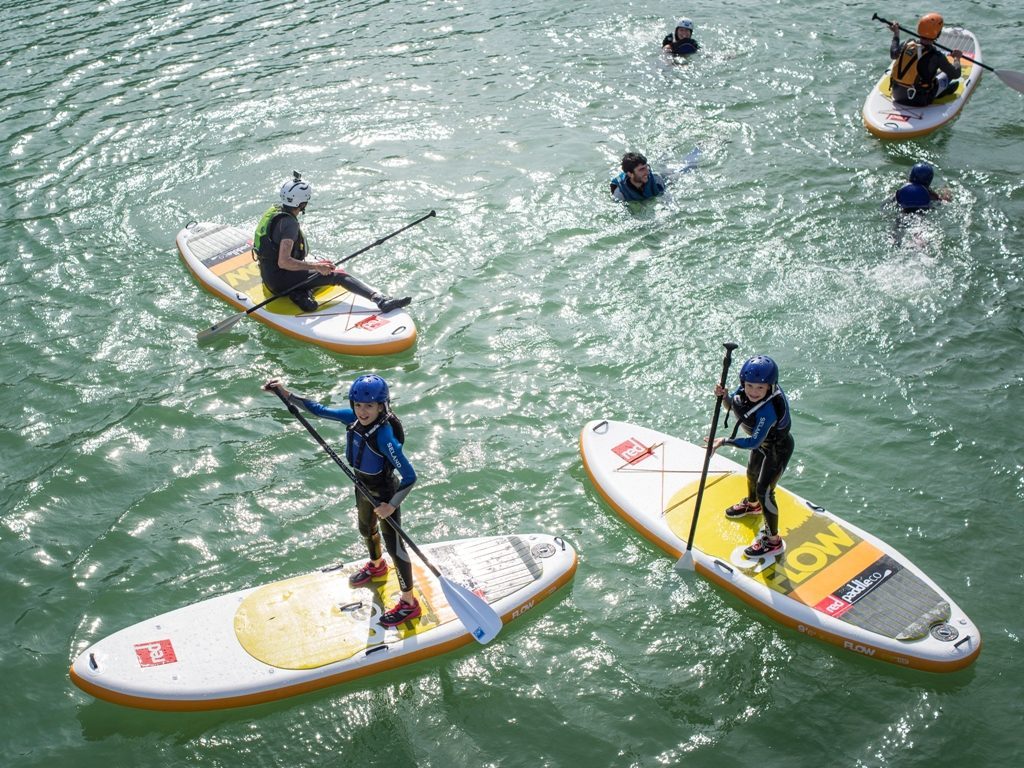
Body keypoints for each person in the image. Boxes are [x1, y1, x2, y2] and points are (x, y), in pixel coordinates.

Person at [263, 374, 421, 628]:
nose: (362, 411)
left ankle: (408, 603)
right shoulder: (353, 419)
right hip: (362, 487)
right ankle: (377, 566)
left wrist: (391, 505)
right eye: (358, 405)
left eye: (369, 406)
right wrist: (284, 393)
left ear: (382, 406)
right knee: (365, 530)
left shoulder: (385, 437)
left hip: (384, 494)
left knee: (396, 548)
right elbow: (319, 410)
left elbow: (410, 477)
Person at [254, 173, 411, 314]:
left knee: (323, 269)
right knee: (337, 275)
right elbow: (284, 262)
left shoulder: (274, 211)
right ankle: (382, 301)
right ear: (302, 204)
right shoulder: (289, 225)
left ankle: (299, 293)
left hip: (269, 276)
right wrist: (316, 266)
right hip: (280, 280)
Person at [709, 355, 794, 558]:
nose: (753, 392)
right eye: (749, 386)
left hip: (777, 449)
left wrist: (724, 441)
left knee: (765, 490)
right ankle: (752, 506)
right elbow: (737, 408)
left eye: (760, 388)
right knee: (751, 474)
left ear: (770, 388)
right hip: (762, 444)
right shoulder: (745, 393)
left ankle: (773, 541)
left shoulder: (768, 410)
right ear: (743, 383)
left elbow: (754, 442)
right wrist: (724, 397)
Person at [887, 13, 962, 107]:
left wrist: (896, 33)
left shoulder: (907, 44)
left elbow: (893, 54)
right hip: (919, 100)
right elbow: (956, 74)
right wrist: (957, 58)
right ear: (938, 33)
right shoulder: (936, 56)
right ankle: (942, 92)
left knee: (932, 72)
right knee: (948, 75)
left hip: (897, 94)